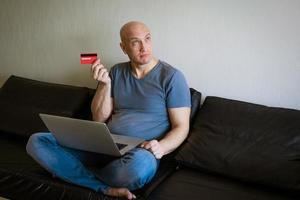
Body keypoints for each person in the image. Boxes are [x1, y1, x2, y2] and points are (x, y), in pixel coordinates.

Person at [26, 21, 191, 199]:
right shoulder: (117, 71)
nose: (144, 47)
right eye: (135, 42)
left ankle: (71, 171)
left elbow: (181, 126)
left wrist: (162, 146)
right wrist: (105, 85)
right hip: (103, 144)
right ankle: (102, 186)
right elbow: (98, 118)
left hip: (139, 152)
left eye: (147, 39)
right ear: (123, 47)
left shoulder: (172, 77)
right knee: (37, 141)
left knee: (137, 168)